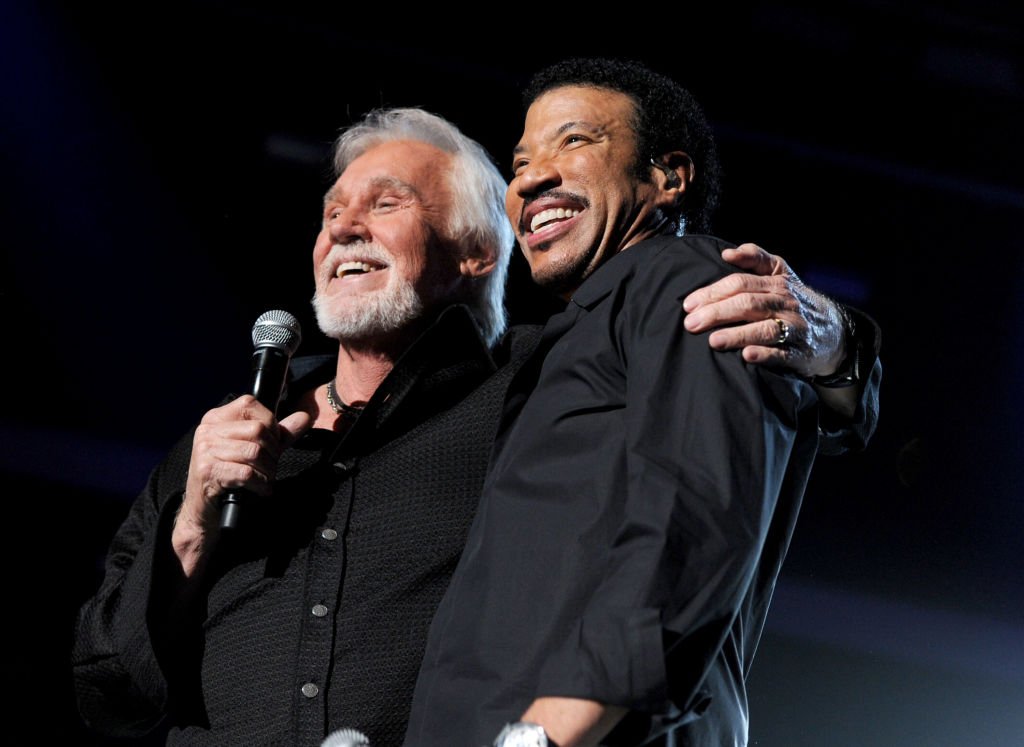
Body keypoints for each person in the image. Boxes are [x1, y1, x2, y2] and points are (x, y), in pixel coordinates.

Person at [72, 105, 877, 746]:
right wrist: (190, 524)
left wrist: (831, 335)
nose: (342, 228)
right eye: (331, 213)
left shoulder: (546, 385)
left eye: (386, 203)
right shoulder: (219, 446)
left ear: (477, 252)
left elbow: (739, 418)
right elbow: (109, 695)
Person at [404, 58, 880, 747]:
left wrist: (549, 729)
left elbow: (696, 507)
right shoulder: (559, 347)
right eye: (521, 159)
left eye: (574, 141)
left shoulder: (681, 278)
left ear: (668, 176)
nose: (531, 176)